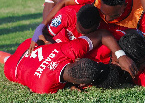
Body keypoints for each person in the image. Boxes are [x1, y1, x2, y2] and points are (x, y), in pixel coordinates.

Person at [1, 27, 136, 94]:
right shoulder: (44, 87)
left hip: (28, 48)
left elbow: (101, 34)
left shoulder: (68, 50)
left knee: (8, 57)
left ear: (77, 60)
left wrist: (120, 55)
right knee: (7, 59)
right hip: (13, 68)